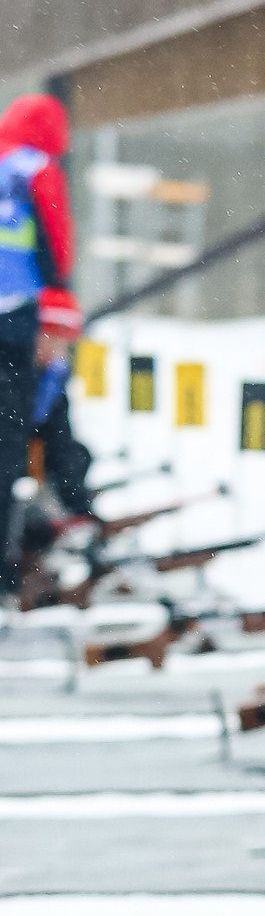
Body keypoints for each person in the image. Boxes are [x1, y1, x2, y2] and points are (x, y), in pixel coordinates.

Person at [0, 94, 84, 595]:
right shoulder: (36, 168)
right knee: (8, 452)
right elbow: (57, 250)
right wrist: (55, 318)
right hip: (15, 327)